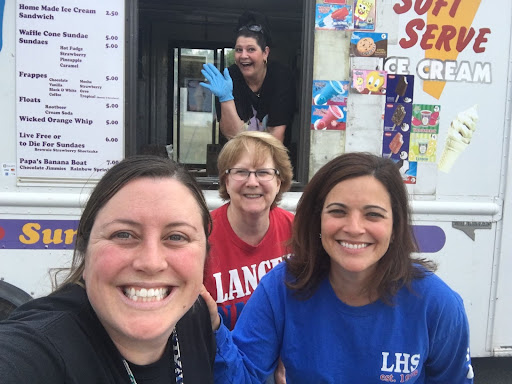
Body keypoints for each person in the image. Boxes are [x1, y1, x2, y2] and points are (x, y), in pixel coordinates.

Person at [204, 152, 474, 383]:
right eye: (338, 211)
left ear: (395, 227)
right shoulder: (281, 288)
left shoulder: (437, 305)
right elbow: (242, 376)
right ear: (317, 221)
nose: (354, 228)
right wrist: (212, 325)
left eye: (373, 215)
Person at [0, 155, 215, 383]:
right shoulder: (42, 349)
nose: (151, 263)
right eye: (123, 234)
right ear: (86, 252)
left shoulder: (195, 316)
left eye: (176, 236)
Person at [203, 131, 293, 384]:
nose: (252, 182)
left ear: (280, 181)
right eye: (241, 172)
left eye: (263, 172)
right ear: (226, 181)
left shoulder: (299, 233)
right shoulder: (199, 235)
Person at [199, 11, 296, 146]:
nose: (243, 56)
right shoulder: (228, 78)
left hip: (273, 156)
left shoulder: (281, 77)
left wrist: (262, 166)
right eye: (239, 50)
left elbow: (276, 135)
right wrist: (225, 99)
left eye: (251, 49)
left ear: (265, 53)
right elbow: (232, 136)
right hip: (238, 155)